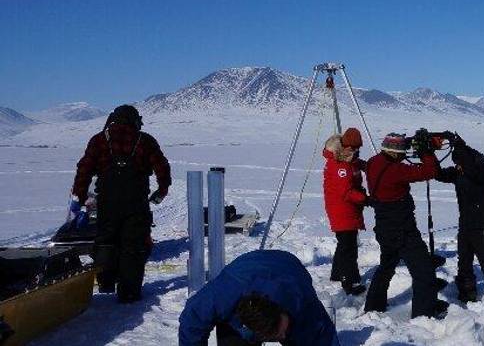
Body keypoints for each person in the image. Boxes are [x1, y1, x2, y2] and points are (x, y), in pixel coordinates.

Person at [72, 104, 170, 302]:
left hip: (107, 203)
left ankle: (106, 283)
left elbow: (84, 170)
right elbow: (162, 168)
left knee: (106, 241)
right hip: (136, 203)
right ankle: (129, 292)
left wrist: (79, 197)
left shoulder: (99, 140)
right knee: (132, 246)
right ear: (135, 121)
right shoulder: (145, 140)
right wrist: (162, 190)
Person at [363, 131, 449, 318]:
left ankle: (373, 306)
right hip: (402, 230)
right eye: (402, 151)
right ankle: (424, 314)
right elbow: (430, 172)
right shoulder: (396, 170)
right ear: (394, 152)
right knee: (423, 270)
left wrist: (410, 143)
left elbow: (396, 159)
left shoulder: (373, 162)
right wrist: (426, 152)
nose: (404, 155)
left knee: (386, 267)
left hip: (384, 227)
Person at [178, 250, 338, 346]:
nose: (282, 338)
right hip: (244, 270)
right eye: (277, 335)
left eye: (283, 331)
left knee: (301, 337)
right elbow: (191, 321)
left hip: (287, 266)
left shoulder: (301, 301)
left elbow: (323, 336)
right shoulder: (222, 296)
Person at [434, 136, 484, 303]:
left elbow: (472, 171)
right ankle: (466, 295)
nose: (457, 167)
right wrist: (428, 153)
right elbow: (438, 173)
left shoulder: (482, 170)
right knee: (464, 262)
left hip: (482, 224)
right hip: (466, 223)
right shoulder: (461, 171)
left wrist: (461, 148)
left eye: (459, 162)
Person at [321, 128, 368, 295]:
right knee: (348, 247)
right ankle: (349, 281)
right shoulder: (339, 165)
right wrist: (366, 199)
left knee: (344, 244)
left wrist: (370, 166)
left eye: (358, 149)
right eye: (354, 149)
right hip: (341, 209)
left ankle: (337, 274)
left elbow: (358, 164)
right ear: (345, 146)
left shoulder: (348, 159)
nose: (356, 152)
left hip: (345, 208)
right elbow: (346, 192)